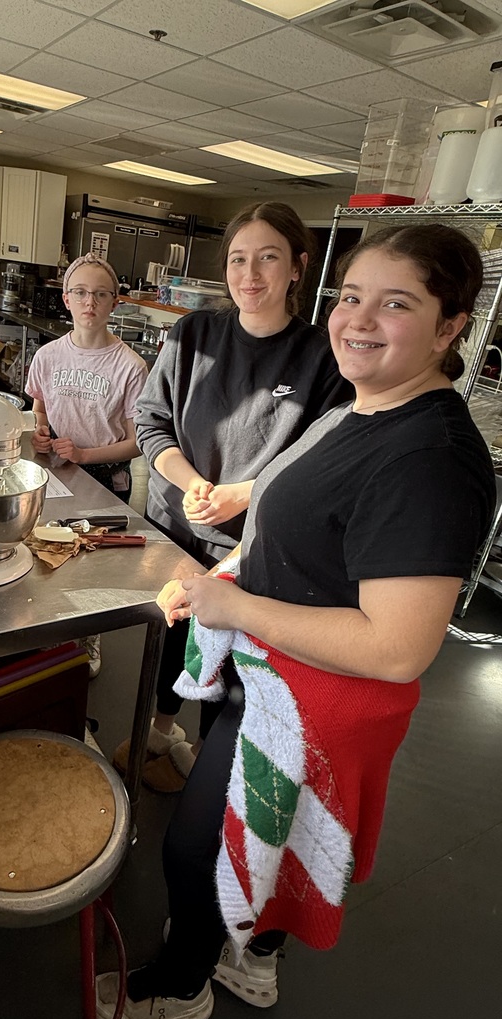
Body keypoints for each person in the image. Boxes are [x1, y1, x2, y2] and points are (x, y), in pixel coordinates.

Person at [96, 223, 497, 1019]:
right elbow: (291, 529)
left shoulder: (431, 458)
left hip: (310, 704)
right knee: (270, 843)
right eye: (352, 296)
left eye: (396, 304)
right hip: (273, 670)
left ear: (451, 327)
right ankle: (253, 966)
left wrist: (236, 607)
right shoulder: (357, 408)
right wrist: (220, 576)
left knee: (197, 845)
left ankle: (178, 990)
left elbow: (397, 648)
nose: (357, 319)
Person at [113, 202, 354, 791]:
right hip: (176, 519)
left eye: (268, 258)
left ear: (298, 267)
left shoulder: (323, 356)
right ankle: (161, 728)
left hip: (252, 542)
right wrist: (191, 482)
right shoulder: (193, 333)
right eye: (239, 259)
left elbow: (318, 462)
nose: (250, 274)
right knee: (172, 633)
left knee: (228, 656)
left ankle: (202, 752)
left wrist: (243, 496)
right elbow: (151, 421)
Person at [25, 253, 148, 675]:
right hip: (56, 472)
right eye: (80, 293)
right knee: (51, 553)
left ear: (115, 302)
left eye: (100, 294)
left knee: (92, 565)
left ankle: (89, 640)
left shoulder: (130, 367)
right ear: (66, 299)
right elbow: (39, 408)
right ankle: (51, 629)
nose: (89, 302)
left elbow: (137, 443)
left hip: (104, 478)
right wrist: (41, 432)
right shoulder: (47, 357)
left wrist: (84, 455)